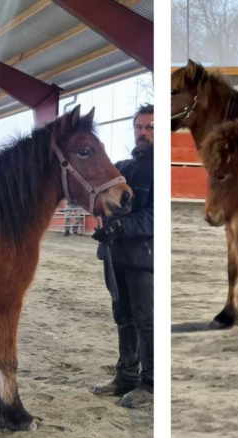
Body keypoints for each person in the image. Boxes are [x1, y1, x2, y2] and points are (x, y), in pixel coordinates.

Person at [90, 104, 154, 409]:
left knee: (146, 320)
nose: (143, 132)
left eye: (150, 127)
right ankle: (126, 375)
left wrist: (122, 226)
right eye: (139, 127)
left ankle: (150, 384)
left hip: (143, 257)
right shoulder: (122, 167)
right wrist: (104, 221)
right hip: (115, 254)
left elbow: (155, 215)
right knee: (123, 317)